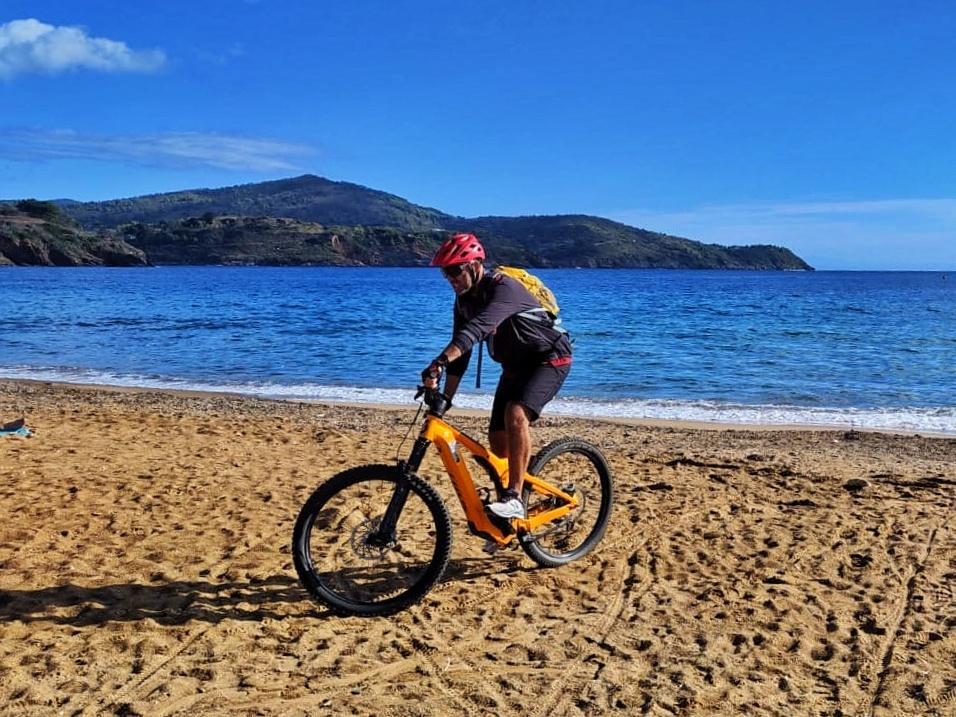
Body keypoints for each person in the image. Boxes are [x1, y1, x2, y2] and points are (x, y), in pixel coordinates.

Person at [421, 232, 572, 519]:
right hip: (514, 367)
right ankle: (523, 493)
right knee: (498, 445)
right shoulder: (463, 302)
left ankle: (514, 497)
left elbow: (475, 331)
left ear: (475, 265)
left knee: (516, 414)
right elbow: (461, 353)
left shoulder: (505, 288)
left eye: (454, 270)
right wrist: (445, 399)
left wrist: (438, 361)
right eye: (445, 273)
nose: (450, 278)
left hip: (550, 359)